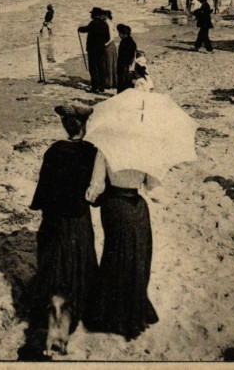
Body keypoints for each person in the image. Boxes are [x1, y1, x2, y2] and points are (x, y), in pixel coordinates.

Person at [28, 104, 98, 343]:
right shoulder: (91, 151)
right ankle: (78, 303)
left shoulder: (55, 151)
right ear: (84, 126)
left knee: (55, 261)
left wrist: (41, 206)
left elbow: (44, 186)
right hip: (79, 217)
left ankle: (52, 308)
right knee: (79, 259)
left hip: (56, 216)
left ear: (64, 125)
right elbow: (96, 190)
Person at [83, 145, 161, 340]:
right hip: (137, 208)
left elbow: (96, 188)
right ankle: (133, 308)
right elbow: (154, 190)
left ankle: (112, 310)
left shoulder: (105, 147)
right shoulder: (147, 148)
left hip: (114, 206)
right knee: (137, 257)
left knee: (114, 254)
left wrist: (91, 197)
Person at [78, 7, 111, 93]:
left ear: (94, 15)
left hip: (92, 49)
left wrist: (79, 29)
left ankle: (95, 87)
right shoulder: (104, 24)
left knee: (93, 68)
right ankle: (101, 87)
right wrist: (101, 43)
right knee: (101, 67)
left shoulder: (93, 23)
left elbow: (85, 29)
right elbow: (107, 38)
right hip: (101, 49)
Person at [116, 24, 137, 93]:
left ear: (124, 34)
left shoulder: (126, 42)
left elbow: (128, 57)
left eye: (120, 33)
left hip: (124, 66)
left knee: (123, 83)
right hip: (126, 66)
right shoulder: (129, 41)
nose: (119, 35)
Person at [102, 10, 117, 90]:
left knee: (108, 64)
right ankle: (114, 82)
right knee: (112, 64)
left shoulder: (107, 23)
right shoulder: (110, 22)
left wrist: (105, 44)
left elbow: (111, 37)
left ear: (105, 16)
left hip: (108, 45)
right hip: (112, 45)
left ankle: (108, 83)